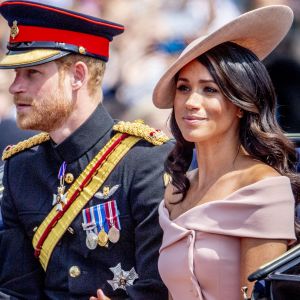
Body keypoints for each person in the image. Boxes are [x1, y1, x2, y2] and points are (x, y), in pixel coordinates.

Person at [0, 1, 172, 299]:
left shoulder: (146, 159)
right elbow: (16, 289)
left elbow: (159, 285)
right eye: (16, 74)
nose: (15, 87)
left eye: (31, 74)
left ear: (78, 76)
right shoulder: (20, 166)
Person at [152, 5, 300, 300]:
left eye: (209, 90)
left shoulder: (262, 186)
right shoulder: (177, 190)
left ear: (240, 105)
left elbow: (256, 296)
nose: (191, 102)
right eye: (183, 88)